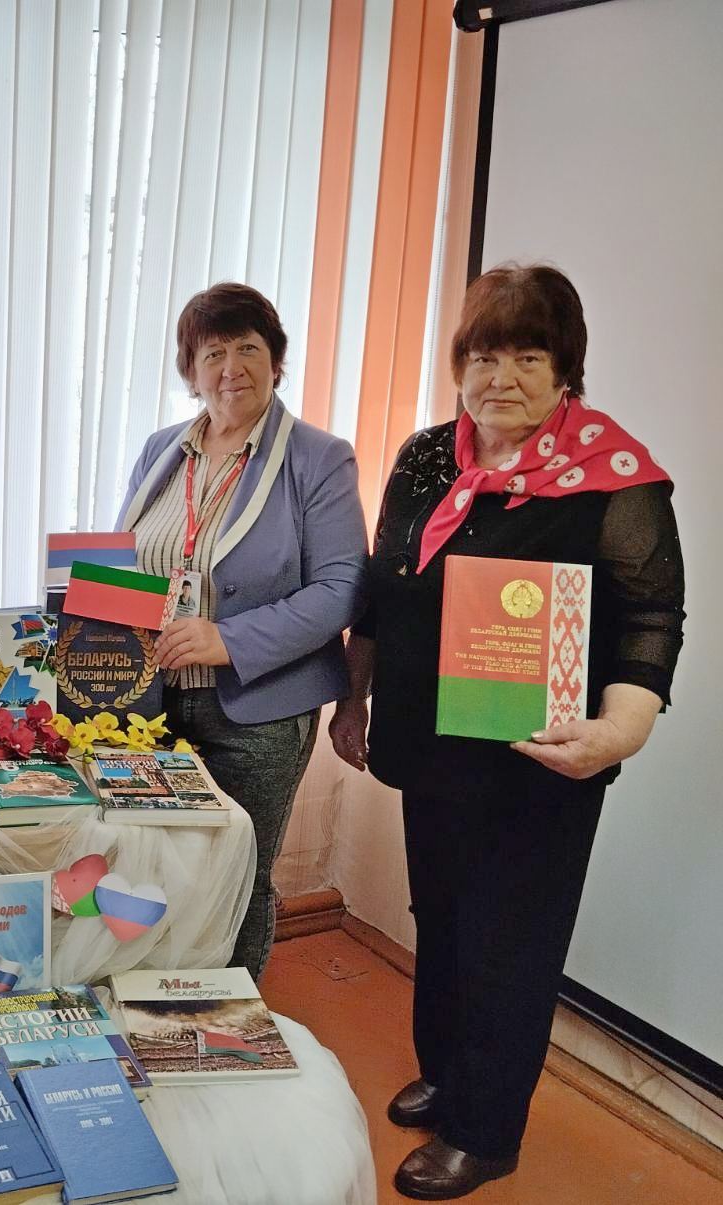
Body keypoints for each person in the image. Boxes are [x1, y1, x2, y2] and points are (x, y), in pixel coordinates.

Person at [329, 264, 684, 1199]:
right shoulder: (426, 457)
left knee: (510, 943)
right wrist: (354, 698)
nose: (502, 378)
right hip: (430, 747)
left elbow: (653, 616)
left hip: (541, 764)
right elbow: (384, 585)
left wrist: (620, 730)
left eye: (529, 356)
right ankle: (450, 1074)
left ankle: (486, 1132)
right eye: (484, 356)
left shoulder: (615, 477)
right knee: (442, 921)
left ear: (566, 369)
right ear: (460, 364)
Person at [116, 282, 367, 979]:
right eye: (213, 352)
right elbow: (124, 563)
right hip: (152, 702)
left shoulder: (319, 457)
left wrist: (229, 639)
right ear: (191, 371)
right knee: (149, 863)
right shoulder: (161, 450)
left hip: (259, 709)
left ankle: (228, 1017)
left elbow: (343, 588)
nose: (232, 367)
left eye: (248, 349)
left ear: (276, 361)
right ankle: (154, 1006)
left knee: (238, 874)